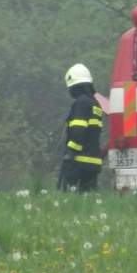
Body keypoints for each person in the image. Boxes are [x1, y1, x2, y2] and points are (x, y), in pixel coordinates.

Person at [58, 63, 105, 191]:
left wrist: (70, 152)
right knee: (87, 198)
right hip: (93, 162)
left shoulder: (81, 103)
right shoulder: (95, 104)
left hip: (78, 162)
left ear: (75, 87)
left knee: (68, 197)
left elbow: (78, 131)